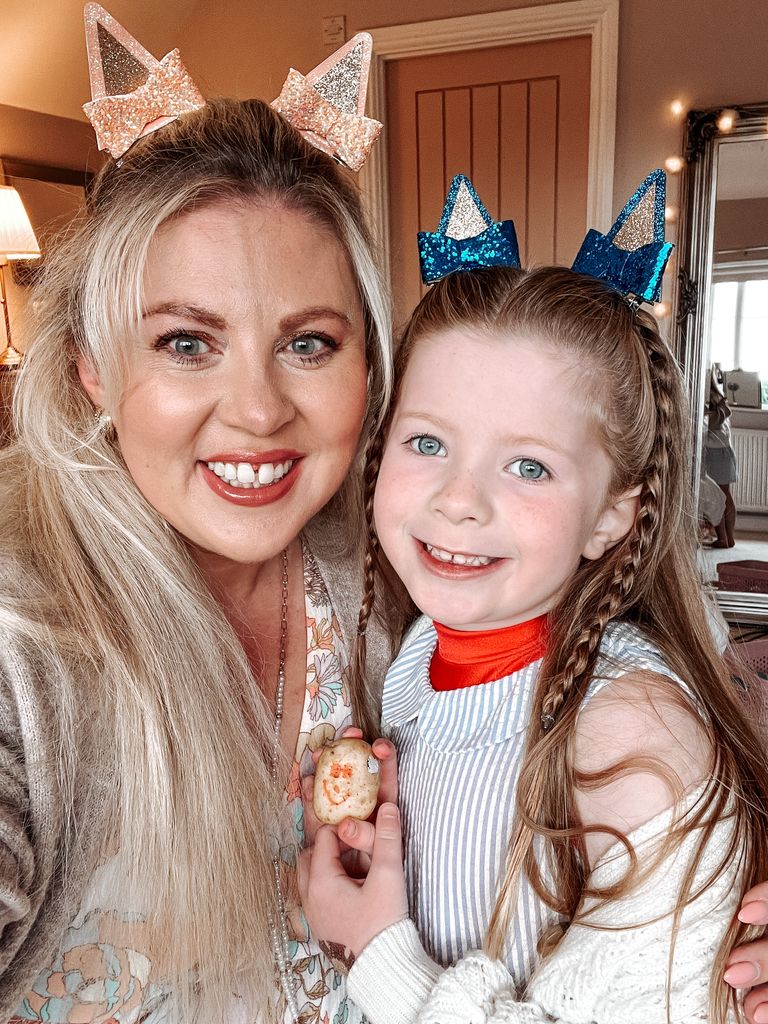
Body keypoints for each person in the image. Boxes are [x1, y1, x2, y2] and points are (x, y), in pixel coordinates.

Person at [0, 94, 406, 1024]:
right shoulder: (21, 618)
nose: (258, 411)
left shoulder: (405, 574)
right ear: (91, 367)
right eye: (188, 343)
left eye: (308, 344)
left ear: (367, 371)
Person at [299, 262, 768, 1023]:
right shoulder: (416, 654)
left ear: (614, 514)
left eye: (528, 466)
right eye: (427, 443)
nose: (458, 500)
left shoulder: (627, 730)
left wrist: (378, 955)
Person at [704, 365, 738, 548]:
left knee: (718, 496)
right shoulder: (718, 398)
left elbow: (713, 423)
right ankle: (727, 537)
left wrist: (706, 415)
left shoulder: (712, 399)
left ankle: (725, 538)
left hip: (716, 451)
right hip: (722, 450)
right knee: (724, 496)